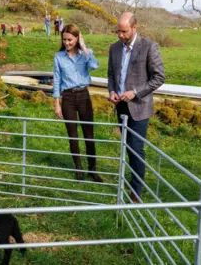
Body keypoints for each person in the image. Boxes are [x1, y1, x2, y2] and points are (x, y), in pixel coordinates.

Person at [107, 12, 165, 201]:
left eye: (124, 31)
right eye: (118, 31)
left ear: (134, 28)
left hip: (140, 107)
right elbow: (110, 74)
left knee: (135, 147)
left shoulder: (149, 47)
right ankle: (127, 179)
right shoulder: (114, 48)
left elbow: (158, 77)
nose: (120, 35)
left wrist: (135, 92)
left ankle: (136, 190)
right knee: (125, 146)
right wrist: (112, 91)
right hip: (121, 106)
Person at [53, 24, 103, 183]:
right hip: (67, 98)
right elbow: (57, 80)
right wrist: (56, 103)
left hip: (84, 96)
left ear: (77, 38)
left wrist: (85, 47)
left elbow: (95, 66)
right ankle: (78, 169)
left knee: (89, 135)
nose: (67, 43)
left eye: (70, 39)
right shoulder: (59, 57)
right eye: (64, 39)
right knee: (73, 136)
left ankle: (93, 170)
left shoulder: (85, 55)